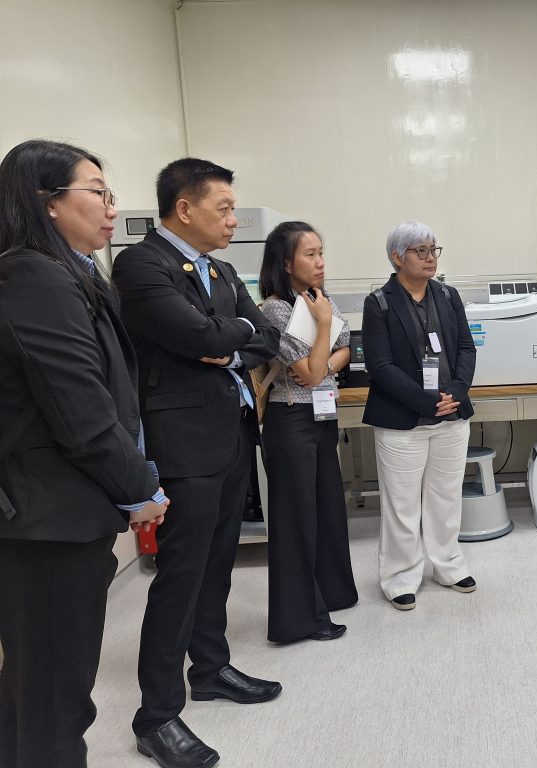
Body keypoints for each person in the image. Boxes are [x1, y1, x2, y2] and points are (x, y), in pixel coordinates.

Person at [0, 140, 168, 768]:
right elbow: (80, 412)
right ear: (47, 202)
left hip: (63, 515)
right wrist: (140, 490)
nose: (111, 207)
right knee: (53, 698)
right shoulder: (33, 276)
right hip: (48, 523)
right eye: (97, 192)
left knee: (37, 690)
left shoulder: (70, 272)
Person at [112, 158, 281, 768]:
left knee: (217, 563)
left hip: (231, 432)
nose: (234, 220)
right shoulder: (141, 265)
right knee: (180, 574)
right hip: (182, 442)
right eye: (224, 209)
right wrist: (229, 334)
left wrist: (228, 342)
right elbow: (203, 337)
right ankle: (156, 715)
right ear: (184, 209)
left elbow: (265, 338)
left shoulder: (224, 269)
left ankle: (210, 668)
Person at [361, 220, 477, 611]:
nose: (430, 258)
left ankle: (448, 565)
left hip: (451, 415)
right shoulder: (379, 302)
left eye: (433, 250)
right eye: (420, 251)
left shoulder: (447, 295)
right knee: (402, 504)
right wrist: (426, 402)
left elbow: (466, 348)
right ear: (397, 257)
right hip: (402, 420)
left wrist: (456, 393)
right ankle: (400, 577)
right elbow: (380, 366)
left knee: (446, 497)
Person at [257, 221, 357, 643]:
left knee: (327, 509)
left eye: (321, 253)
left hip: (321, 418)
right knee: (296, 520)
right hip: (291, 420)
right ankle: (298, 620)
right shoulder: (276, 309)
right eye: (310, 254)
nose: (320, 263)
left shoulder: (319, 299)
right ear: (286, 263)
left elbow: (345, 349)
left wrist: (324, 362)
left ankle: (331, 594)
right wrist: (323, 332)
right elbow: (310, 372)